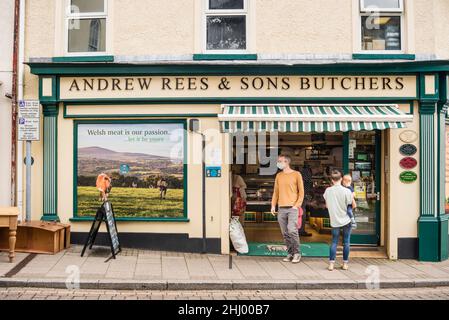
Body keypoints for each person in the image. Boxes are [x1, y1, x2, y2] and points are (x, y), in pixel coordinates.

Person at [271, 155, 304, 264]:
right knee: (285, 233)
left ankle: (297, 253)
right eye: (278, 161)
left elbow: (301, 192)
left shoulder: (296, 174)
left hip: (292, 208)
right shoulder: (279, 176)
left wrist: (296, 205)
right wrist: (273, 205)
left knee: (292, 230)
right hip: (281, 208)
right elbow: (276, 192)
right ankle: (290, 253)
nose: (278, 163)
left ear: (287, 162)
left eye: (280, 161)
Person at [323, 170, 353, 271]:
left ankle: (331, 264)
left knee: (334, 242)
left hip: (335, 220)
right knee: (346, 242)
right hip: (346, 220)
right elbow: (350, 204)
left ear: (331, 180)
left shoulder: (328, 191)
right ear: (341, 179)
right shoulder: (346, 191)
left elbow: (327, 205)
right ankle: (345, 264)